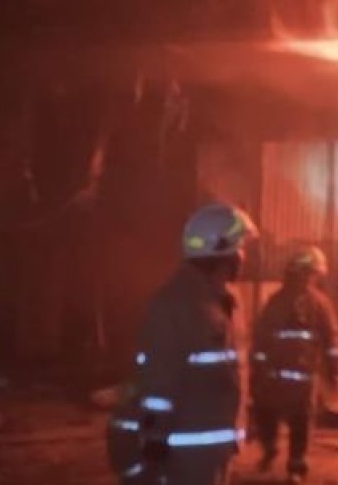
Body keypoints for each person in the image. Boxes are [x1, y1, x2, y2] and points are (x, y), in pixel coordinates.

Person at [128, 202, 256, 484]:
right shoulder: (173, 304)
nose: (243, 257)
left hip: (218, 451)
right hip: (184, 454)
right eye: (240, 248)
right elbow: (157, 379)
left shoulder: (227, 303)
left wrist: (242, 419)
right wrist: (155, 437)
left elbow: (232, 372)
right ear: (222, 251)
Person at [250, 246, 338, 483]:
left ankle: (286, 461)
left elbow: (331, 339)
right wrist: (334, 370)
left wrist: (257, 371)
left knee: (280, 417)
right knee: (289, 420)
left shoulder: (278, 302)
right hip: (296, 378)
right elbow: (331, 339)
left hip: (280, 378)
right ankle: (288, 463)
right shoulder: (317, 304)